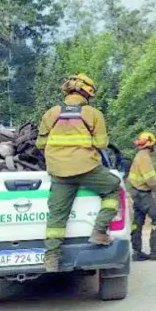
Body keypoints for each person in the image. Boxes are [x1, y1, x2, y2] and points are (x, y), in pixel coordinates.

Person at [36, 73, 121, 273]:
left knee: (57, 216)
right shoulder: (92, 114)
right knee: (113, 188)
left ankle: (51, 259)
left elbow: (40, 143)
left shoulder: (51, 113)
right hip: (87, 169)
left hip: (58, 171)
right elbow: (101, 144)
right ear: (88, 92)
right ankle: (99, 231)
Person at [126, 131, 156, 261]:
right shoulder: (144, 157)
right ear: (150, 144)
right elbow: (152, 180)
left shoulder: (140, 155)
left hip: (135, 191)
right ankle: (155, 251)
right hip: (141, 193)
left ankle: (137, 251)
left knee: (138, 221)